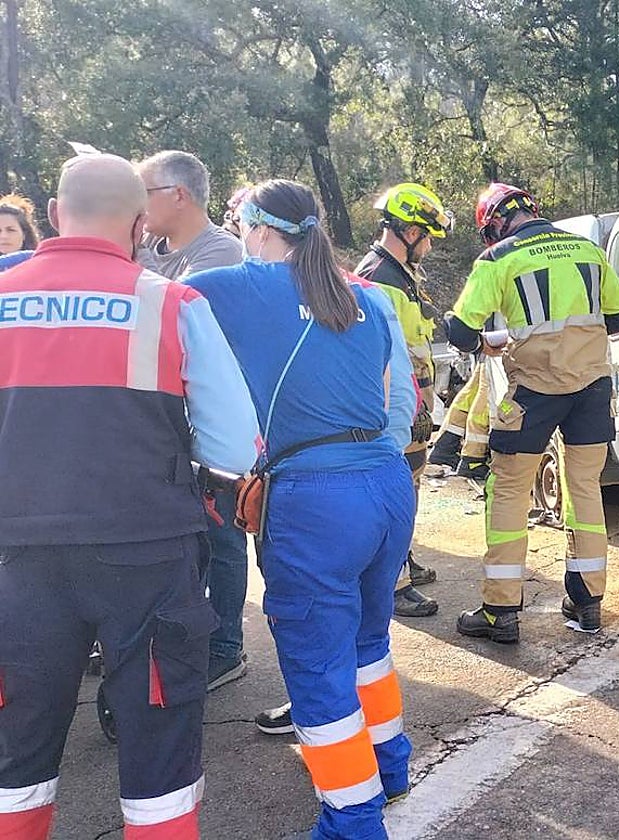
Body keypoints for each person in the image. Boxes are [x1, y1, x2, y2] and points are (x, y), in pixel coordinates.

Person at [0, 153, 258, 839]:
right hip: (147, 555)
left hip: (16, 560)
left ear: (53, 214)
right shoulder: (173, 303)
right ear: (142, 224)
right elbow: (235, 448)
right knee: (159, 764)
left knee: (16, 758)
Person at [184, 179, 417, 839]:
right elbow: (396, 399)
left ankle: (352, 821)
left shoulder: (241, 285)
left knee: (317, 668)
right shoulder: (365, 296)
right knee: (368, 642)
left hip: (316, 499)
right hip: (386, 482)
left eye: (238, 226)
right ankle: (389, 765)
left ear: (258, 229)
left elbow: (156, 303)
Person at [446, 183, 619, 643]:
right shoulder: (588, 250)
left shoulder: (498, 258)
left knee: (509, 492)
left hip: (533, 390)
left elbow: (459, 331)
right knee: (585, 489)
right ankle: (587, 603)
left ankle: (500, 612)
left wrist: (489, 341)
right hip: (592, 387)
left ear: (495, 223)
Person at [135, 150, 251, 692]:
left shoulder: (220, 252)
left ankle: (225, 646)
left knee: (222, 537)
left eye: (144, 193)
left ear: (178, 195)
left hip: (207, 424)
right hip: (160, 423)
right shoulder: (148, 248)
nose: (138, 206)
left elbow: (167, 318)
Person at [353, 183, 451, 618]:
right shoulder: (379, 279)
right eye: (427, 237)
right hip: (398, 407)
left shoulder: (401, 275)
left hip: (413, 403)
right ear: (410, 233)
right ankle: (392, 586)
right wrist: (408, 407)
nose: (429, 247)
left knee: (408, 488)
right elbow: (384, 357)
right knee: (395, 493)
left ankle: (401, 562)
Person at [135, 151, 244, 278]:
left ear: (179, 196)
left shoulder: (223, 250)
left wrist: (138, 249)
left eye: (144, 193)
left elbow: (172, 292)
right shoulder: (149, 238)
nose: (137, 202)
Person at [428, 360, 492, 480]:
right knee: (487, 392)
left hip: (489, 353)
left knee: (476, 388)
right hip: (497, 352)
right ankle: (473, 459)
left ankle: (445, 446)